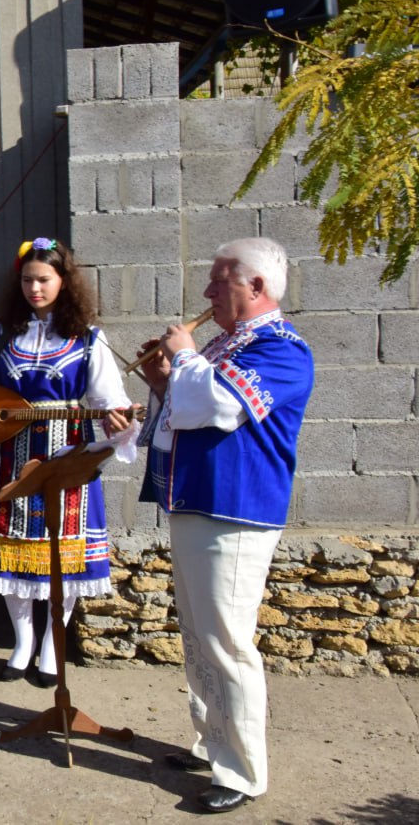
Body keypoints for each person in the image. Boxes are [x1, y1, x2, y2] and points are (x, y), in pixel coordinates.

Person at [137, 237, 313, 814]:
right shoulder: (224, 344)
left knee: (227, 643)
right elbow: (184, 410)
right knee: (197, 638)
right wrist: (163, 379)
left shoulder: (282, 349)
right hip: (197, 501)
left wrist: (184, 359)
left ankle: (241, 772)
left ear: (256, 287)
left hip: (236, 509)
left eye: (220, 281)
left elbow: (214, 407)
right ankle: (211, 743)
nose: (208, 292)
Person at [0, 237, 138, 687]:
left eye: (43, 280)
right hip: (12, 450)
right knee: (13, 549)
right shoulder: (5, 330)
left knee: (63, 551)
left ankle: (51, 645)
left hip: (67, 453)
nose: (34, 289)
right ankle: (22, 641)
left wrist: (119, 422)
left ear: (64, 281)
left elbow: (109, 399)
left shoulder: (87, 339)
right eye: (27, 280)